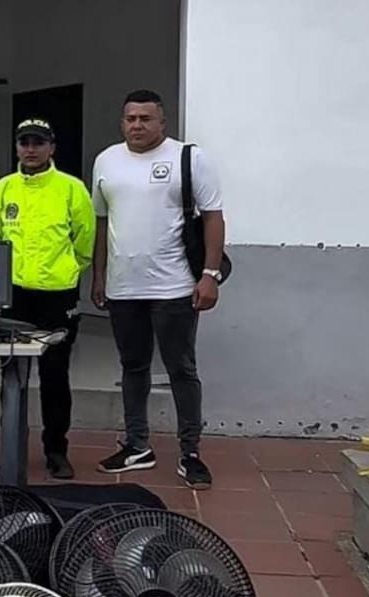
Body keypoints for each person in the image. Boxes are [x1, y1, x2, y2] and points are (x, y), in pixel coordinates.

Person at [90, 89, 225, 489]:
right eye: (130, 118)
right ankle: (137, 446)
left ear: (162, 122)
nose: (137, 125)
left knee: (181, 369)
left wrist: (210, 275)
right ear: (122, 122)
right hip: (123, 288)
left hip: (175, 287)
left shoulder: (190, 158)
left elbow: (213, 217)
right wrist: (99, 276)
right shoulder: (106, 160)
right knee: (133, 368)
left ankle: (190, 453)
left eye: (146, 118)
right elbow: (102, 223)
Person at [0, 119, 94, 480]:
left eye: (38, 143)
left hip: (57, 296)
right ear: (17, 147)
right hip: (14, 296)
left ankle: (56, 451)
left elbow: (84, 241)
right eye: (24, 142)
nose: (30, 149)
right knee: (12, 374)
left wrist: (66, 270)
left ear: (51, 148)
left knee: (55, 375)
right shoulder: (3, 189)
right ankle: (11, 448)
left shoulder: (72, 188)